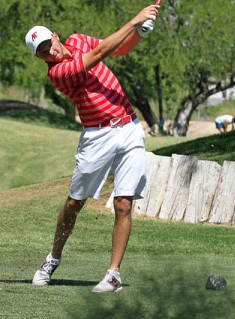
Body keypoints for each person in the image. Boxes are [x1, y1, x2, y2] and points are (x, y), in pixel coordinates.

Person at [24, 4, 160, 293]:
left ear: (57, 37)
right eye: (42, 52)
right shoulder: (58, 73)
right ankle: (52, 258)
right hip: (97, 136)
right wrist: (134, 19)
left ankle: (113, 275)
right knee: (75, 203)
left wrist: (139, 32)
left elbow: (118, 49)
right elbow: (100, 54)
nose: (50, 52)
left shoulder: (79, 39)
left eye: (50, 44)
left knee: (124, 203)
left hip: (129, 127)